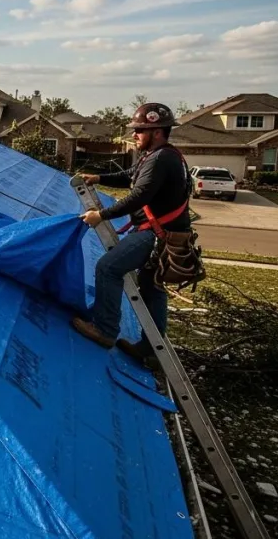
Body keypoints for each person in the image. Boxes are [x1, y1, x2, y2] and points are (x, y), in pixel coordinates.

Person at [71, 102, 192, 362]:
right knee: (152, 288)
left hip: (157, 235)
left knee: (108, 267)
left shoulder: (161, 158)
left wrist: (101, 215)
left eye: (139, 130)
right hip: (166, 234)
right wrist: (100, 178)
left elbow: (140, 194)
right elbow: (133, 176)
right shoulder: (162, 156)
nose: (134, 135)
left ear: (157, 131)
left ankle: (104, 330)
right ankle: (150, 348)